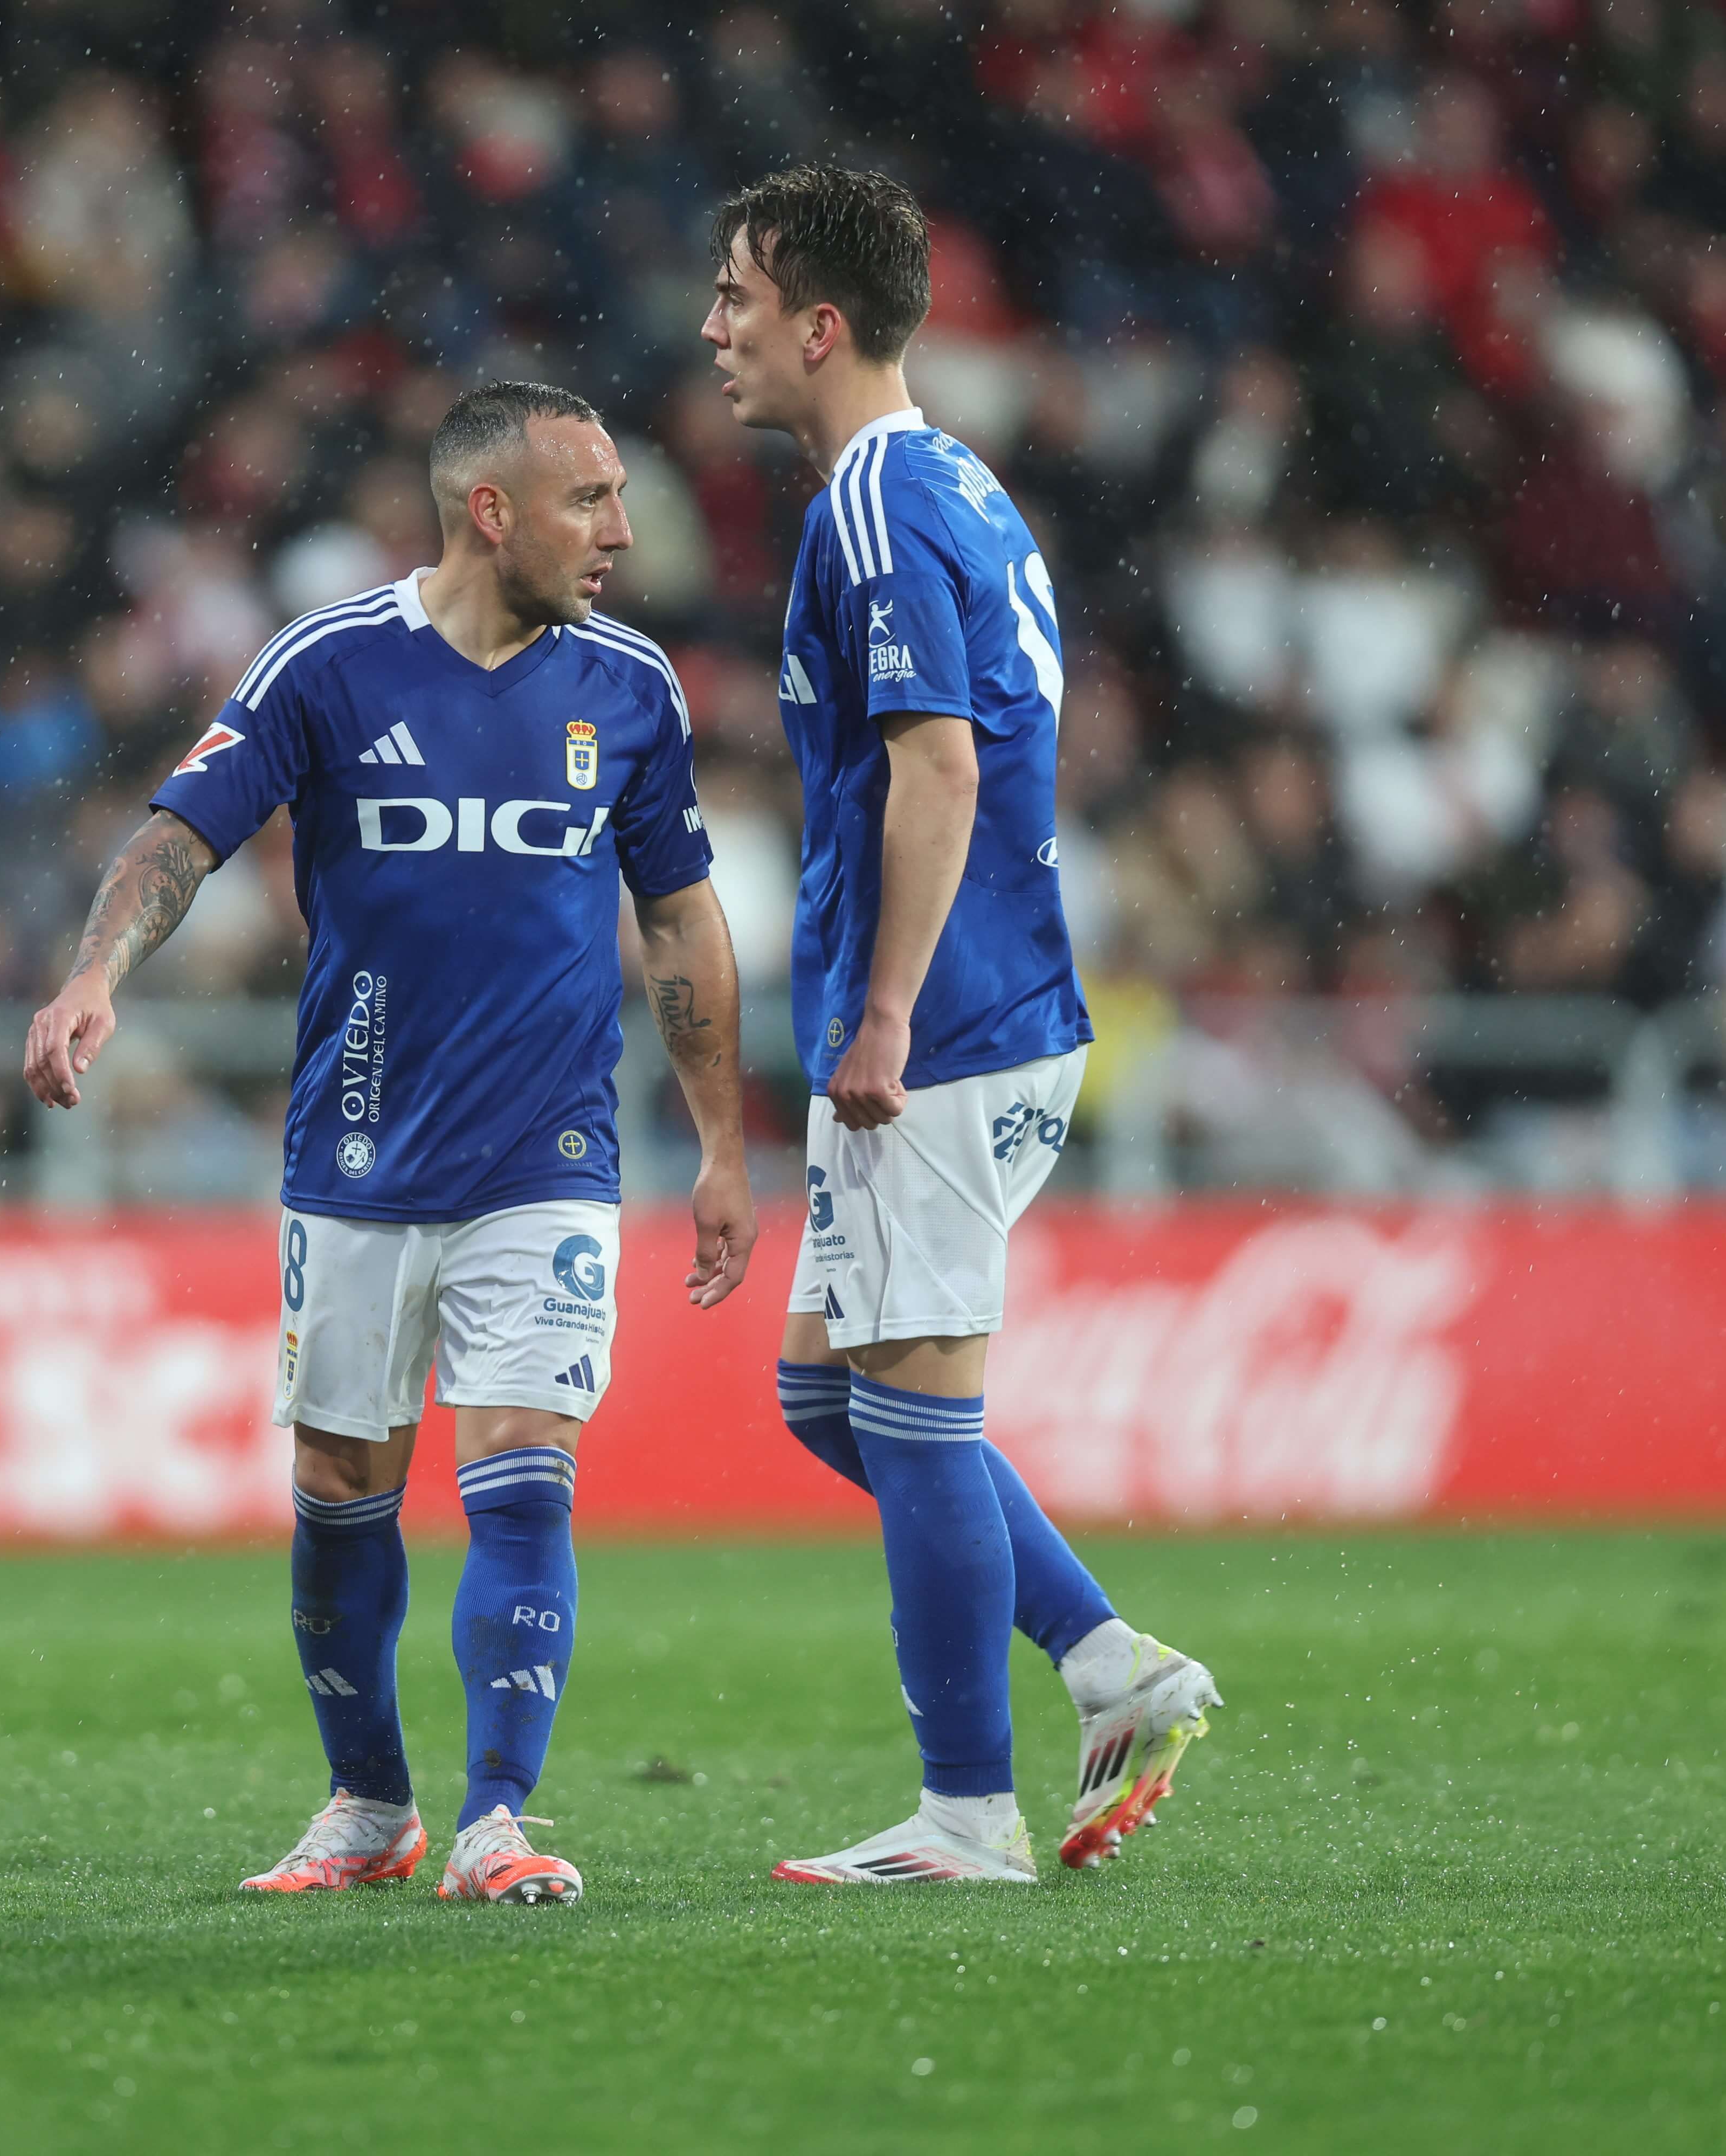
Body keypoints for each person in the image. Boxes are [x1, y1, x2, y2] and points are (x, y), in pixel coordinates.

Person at [25, 381, 754, 1905]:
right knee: (342, 1493)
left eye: (623, 499)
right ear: (491, 511)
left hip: (545, 1159)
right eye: (590, 501)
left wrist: (724, 1144)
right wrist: (99, 972)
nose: (623, 532)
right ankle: (370, 1806)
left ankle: (497, 1817)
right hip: (355, 1154)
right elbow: (183, 834)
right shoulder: (331, 664)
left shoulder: (632, 687)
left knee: (523, 1469)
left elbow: (679, 914)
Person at [700, 165, 1221, 1882]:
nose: (717, 330)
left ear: (821, 326)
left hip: (950, 1015)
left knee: (910, 1404)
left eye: (741, 301)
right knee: (827, 1398)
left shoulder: (871, 503)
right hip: (991, 998)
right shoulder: (962, 489)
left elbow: (941, 760)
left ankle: (966, 1816)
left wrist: (888, 1011)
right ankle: (1107, 1664)